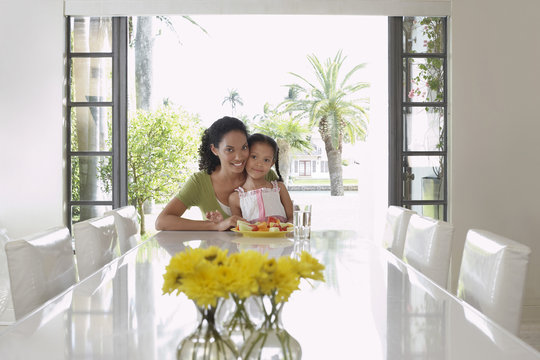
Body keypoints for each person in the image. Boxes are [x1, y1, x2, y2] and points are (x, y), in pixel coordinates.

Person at [155, 117, 278, 231]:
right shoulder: (200, 182)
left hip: (257, 253)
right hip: (216, 254)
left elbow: (285, 218)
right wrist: (217, 225)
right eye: (229, 149)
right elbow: (162, 221)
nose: (239, 156)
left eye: (244, 147)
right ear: (214, 149)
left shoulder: (264, 175)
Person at [228, 133, 293, 224]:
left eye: (266, 160)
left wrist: (286, 228)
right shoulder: (235, 198)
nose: (259, 164)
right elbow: (238, 227)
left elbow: (292, 218)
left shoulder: (279, 189)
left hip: (279, 238)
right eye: (254, 157)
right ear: (245, 157)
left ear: (271, 164)